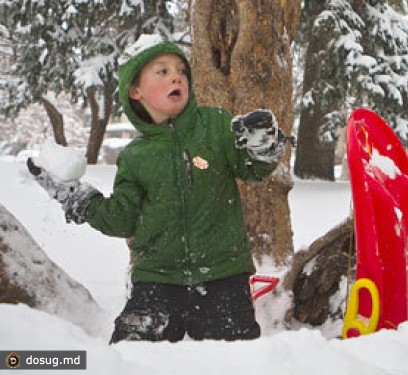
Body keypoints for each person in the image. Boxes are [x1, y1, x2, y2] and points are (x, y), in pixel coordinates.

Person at [27, 34, 286, 343]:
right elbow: (122, 218)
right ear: (135, 91)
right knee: (128, 357)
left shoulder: (215, 125)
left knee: (234, 358)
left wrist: (263, 146)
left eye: (180, 70)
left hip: (223, 275)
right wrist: (78, 199)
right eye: (161, 71)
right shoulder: (135, 157)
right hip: (157, 279)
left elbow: (252, 169)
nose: (176, 75)